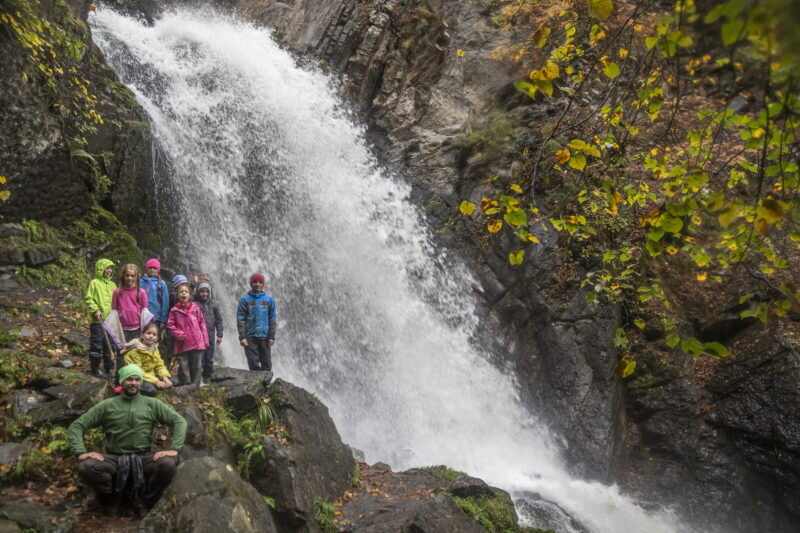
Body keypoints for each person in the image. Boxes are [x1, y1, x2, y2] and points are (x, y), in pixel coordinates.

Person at [68, 364, 187, 518]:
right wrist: (81, 452)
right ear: (122, 382)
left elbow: (179, 421)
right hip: (114, 459)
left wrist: (174, 448)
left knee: (168, 464)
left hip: (143, 457)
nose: (134, 383)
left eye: (137, 379)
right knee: (87, 466)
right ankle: (111, 500)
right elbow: (77, 425)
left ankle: (145, 502)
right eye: (129, 379)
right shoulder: (107, 405)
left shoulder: (152, 404)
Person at [167, 284, 208, 386]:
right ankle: (186, 384)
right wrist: (178, 333)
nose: (183, 293)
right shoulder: (174, 310)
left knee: (197, 365)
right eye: (181, 292)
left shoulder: (195, 307)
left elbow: (202, 323)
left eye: (186, 292)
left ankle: (196, 384)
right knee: (183, 365)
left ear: (190, 295)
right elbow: (170, 325)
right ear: (177, 295)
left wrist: (205, 340)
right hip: (182, 341)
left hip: (197, 340)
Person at [237, 273, 277, 371]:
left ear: (263, 284)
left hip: (265, 336)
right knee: (253, 363)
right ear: (251, 284)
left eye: (260, 282)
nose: (257, 284)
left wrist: (271, 336)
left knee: (267, 363)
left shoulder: (269, 300)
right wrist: (242, 337)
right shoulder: (244, 300)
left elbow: (272, 319)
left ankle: (266, 385)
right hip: (250, 337)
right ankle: (256, 385)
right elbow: (240, 319)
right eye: (255, 282)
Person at [84, 258, 116, 378]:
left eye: (110, 268)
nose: (108, 270)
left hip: (110, 320)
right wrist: (95, 309)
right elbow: (89, 298)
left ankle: (109, 368)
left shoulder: (113, 284)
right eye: (106, 268)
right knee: (97, 343)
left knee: (110, 344)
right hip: (98, 320)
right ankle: (95, 368)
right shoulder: (94, 283)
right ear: (100, 269)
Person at [123, 323, 174, 395]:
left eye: (154, 334)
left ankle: (159, 385)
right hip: (136, 377)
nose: (151, 336)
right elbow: (137, 371)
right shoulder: (135, 350)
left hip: (150, 375)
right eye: (148, 333)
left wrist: (164, 377)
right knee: (151, 391)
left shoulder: (154, 349)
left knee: (172, 382)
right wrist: (155, 381)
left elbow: (159, 365)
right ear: (142, 335)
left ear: (157, 338)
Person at [112, 264, 148, 343]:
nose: (129, 278)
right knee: (121, 351)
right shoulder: (117, 292)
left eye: (132, 276)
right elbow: (114, 311)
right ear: (123, 276)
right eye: (127, 275)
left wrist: (144, 331)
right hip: (121, 328)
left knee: (134, 352)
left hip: (136, 328)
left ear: (137, 277)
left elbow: (145, 312)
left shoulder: (142, 292)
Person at [195, 281, 223, 381]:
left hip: (210, 335)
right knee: (200, 358)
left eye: (206, 291)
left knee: (209, 357)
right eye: (202, 291)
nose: (204, 293)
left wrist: (219, 334)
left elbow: (219, 321)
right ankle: (199, 377)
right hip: (199, 336)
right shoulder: (195, 305)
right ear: (198, 293)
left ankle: (208, 376)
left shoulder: (214, 305)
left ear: (210, 293)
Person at [140, 259, 169, 331]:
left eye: (155, 268)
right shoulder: (140, 282)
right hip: (141, 315)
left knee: (153, 336)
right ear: (147, 268)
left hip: (156, 317)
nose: (152, 270)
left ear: (158, 269)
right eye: (150, 268)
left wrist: (163, 320)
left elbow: (165, 302)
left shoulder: (162, 283)